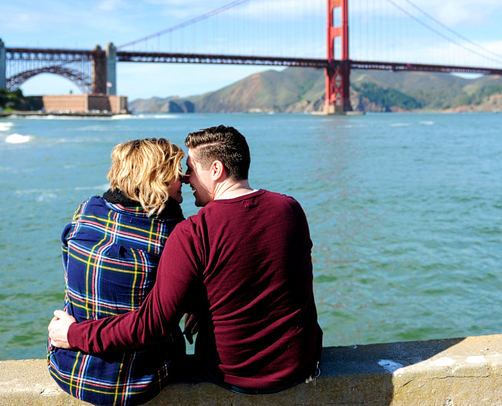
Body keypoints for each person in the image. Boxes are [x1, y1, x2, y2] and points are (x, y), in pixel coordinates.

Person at [50, 125, 322, 394]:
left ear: (216, 170)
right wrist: (200, 305)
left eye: (190, 169)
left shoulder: (191, 231)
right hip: (302, 363)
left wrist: (73, 335)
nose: (187, 177)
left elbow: (150, 325)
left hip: (231, 374)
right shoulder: (290, 208)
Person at [47, 138, 187, 406]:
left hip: (68, 367)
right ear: (158, 178)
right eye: (177, 173)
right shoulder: (172, 231)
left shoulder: (87, 209)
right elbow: (158, 322)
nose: (185, 179)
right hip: (140, 380)